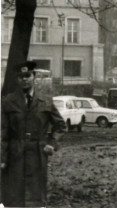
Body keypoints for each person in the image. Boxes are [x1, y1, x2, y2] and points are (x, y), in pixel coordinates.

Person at [1, 61, 66, 207]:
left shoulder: (45, 100)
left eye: (27, 75)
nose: (24, 79)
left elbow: (60, 125)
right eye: (21, 76)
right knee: (14, 196)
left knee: (35, 196)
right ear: (17, 79)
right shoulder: (8, 101)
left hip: (38, 154)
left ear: (34, 76)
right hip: (15, 154)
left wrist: (51, 143)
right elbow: (3, 131)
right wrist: (2, 157)